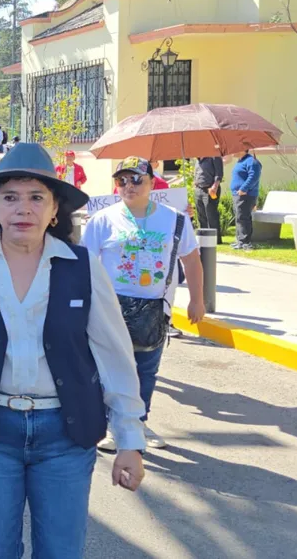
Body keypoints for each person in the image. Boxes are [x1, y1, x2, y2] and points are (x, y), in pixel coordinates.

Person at [0, 142, 147, 559]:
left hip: (65, 433)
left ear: (55, 210)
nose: (24, 208)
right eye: (11, 198)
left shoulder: (82, 266)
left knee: (61, 550)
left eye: (37, 197)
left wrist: (130, 437)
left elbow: (114, 355)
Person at [82, 156, 205, 451]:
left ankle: (138, 422)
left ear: (152, 183)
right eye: (122, 180)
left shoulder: (175, 219)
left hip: (154, 308)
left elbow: (191, 259)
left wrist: (197, 300)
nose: (129, 186)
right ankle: (113, 425)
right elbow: (85, 266)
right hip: (111, 308)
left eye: (137, 179)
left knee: (145, 370)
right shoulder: (103, 220)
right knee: (109, 368)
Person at [230, 143, 262, 250]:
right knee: (239, 217)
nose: (233, 151)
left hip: (246, 195)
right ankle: (240, 241)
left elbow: (254, 176)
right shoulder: (240, 161)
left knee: (243, 218)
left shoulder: (251, 161)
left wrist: (243, 189)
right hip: (237, 194)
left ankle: (245, 242)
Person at [193, 155, 224, 241]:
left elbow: (219, 173)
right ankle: (204, 238)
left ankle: (215, 239)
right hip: (198, 189)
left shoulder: (214, 157)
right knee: (201, 215)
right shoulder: (198, 159)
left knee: (211, 214)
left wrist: (215, 186)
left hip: (210, 189)